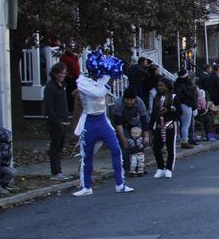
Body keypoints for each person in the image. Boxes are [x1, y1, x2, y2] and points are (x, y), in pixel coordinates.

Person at [73, 52, 133, 196]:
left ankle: (120, 184)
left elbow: (108, 79)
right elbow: (99, 93)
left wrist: (115, 70)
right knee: (87, 155)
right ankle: (86, 186)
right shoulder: (82, 82)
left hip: (102, 120)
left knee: (116, 150)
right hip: (89, 122)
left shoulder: (102, 78)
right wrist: (111, 78)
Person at [43, 62, 73, 181]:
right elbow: (49, 107)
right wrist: (57, 122)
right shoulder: (50, 87)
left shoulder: (62, 86)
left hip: (63, 120)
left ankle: (59, 170)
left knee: (59, 146)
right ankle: (55, 172)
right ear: (55, 73)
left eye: (64, 72)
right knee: (55, 147)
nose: (63, 75)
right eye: (60, 72)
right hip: (55, 122)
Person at [112, 88, 151, 176]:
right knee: (126, 146)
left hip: (136, 123)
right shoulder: (118, 104)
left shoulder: (139, 102)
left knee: (139, 144)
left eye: (131, 100)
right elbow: (118, 123)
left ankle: (140, 167)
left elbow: (144, 120)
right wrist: (123, 138)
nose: (129, 102)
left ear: (135, 99)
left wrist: (146, 136)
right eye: (127, 100)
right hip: (123, 125)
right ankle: (129, 168)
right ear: (124, 98)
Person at [150, 78, 181, 179]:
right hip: (159, 125)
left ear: (167, 86)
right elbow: (153, 112)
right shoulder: (157, 98)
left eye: (162, 85)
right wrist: (151, 126)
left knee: (170, 147)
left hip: (170, 124)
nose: (160, 88)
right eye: (159, 86)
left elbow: (179, 112)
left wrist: (168, 110)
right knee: (156, 147)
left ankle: (168, 168)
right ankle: (160, 168)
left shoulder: (174, 97)